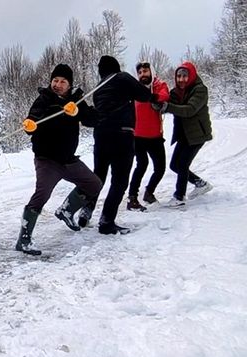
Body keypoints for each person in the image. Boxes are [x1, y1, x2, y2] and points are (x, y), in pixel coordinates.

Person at [15, 64, 102, 255]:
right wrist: (30, 124)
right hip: (47, 160)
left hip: (68, 160)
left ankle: (67, 210)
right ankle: (24, 239)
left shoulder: (76, 100)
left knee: (94, 184)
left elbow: (93, 120)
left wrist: (78, 112)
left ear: (69, 84)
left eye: (63, 81)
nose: (58, 84)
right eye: (55, 80)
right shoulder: (44, 99)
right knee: (41, 195)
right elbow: (34, 119)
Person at [74, 55, 154, 235]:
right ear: (116, 67)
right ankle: (106, 221)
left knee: (99, 176)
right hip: (122, 135)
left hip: (101, 136)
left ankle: (86, 211)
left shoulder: (97, 89)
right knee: (119, 180)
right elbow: (144, 95)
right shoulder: (122, 78)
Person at [157, 61, 213, 207]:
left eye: (185, 76)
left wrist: (168, 107)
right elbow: (166, 98)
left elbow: (190, 109)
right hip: (184, 134)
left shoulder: (200, 90)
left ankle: (179, 197)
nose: (181, 79)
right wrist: (157, 99)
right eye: (179, 76)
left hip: (197, 134)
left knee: (182, 164)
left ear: (192, 75)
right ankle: (200, 183)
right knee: (174, 164)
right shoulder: (176, 92)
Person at [126, 61, 170, 211]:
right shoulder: (134, 89)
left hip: (155, 136)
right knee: (141, 165)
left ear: (151, 72)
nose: (142, 75)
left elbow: (165, 95)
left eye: (145, 71)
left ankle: (149, 192)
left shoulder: (159, 84)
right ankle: (132, 198)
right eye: (139, 73)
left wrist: (156, 98)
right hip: (137, 136)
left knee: (160, 168)